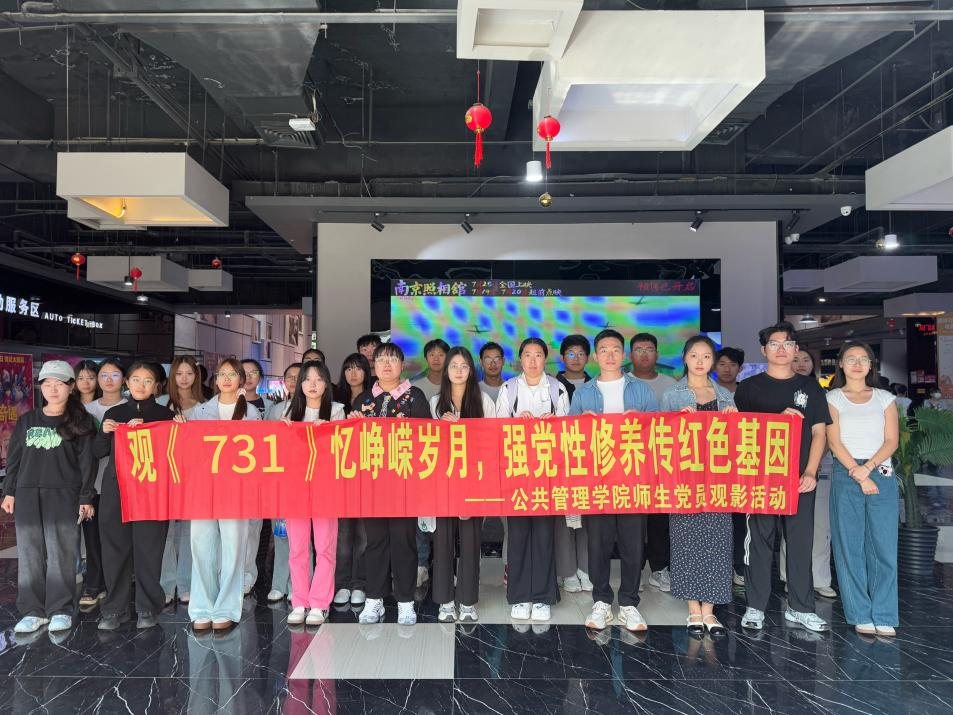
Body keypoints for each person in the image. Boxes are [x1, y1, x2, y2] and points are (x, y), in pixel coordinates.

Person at [735, 322, 831, 633]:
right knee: (759, 542)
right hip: (760, 479)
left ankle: (800, 608)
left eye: (787, 344)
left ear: (796, 349)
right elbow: (739, 432)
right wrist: (776, 420)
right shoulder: (748, 388)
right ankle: (755, 606)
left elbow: (819, 433)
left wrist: (811, 471)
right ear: (763, 350)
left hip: (800, 479)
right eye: (774, 344)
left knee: (800, 543)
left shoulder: (811, 388)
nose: (781, 349)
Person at [570, 330, 657, 632]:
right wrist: (582, 424)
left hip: (633, 478)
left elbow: (660, 433)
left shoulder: (641, 390)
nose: (609, 355)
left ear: (624, 355)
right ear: (595, 356)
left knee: (633, 544)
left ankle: (630, 603)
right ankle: (602, 601)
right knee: (599, 543)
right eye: (604, 350)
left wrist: (642, 423)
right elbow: (570, 437)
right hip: (598, 479)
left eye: (615, 350)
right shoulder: (583, 393)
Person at [2, 361, 97, 634]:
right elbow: (14, 459)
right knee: (29, 553)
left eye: (59, 384)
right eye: (47, 384)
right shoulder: (27, 420)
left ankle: (60, 609)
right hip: (27, 494)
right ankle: (32, 611)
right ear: (41, 387)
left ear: (70, 387)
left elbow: (87, 464)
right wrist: (9, 491)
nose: (53, 389)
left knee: (61, 554)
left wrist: (85, 497)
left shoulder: (80, 422)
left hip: (64, 495)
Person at [659, 336, 737, 637]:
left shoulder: (725, 395)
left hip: (718, 480)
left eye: (706, 356)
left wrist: (735, 420)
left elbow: (737, 441)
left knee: (718, 542)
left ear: (712, 361)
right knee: (686, 542)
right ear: (685, 358)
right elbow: (658, 437)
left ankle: (709, 610)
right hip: (684, 480)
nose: (700, 361)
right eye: (694, 355)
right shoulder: (672, 395)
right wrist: (676, 421)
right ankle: (693, 609)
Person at [178, 358, 262, 631]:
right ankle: (202, 607)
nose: (226, 379)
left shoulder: (251, 413)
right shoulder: (200, 411)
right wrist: (180, 427)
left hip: (236, 489)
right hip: (203, 488)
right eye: (221, 374)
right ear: (215, 380)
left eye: (232, 374)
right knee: (201, 545)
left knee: (233, 547)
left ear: (241, 380)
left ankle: (226, 607)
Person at [351, 342, 431, 625]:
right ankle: (374, 599)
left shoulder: (414, 397)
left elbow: (425, 439)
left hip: (404, 485)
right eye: (381, 359)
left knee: (404, 542)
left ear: (402, 365)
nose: (386, 364)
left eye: (392, 359)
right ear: (373, 365)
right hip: (371, 485)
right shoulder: (363, 400)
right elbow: (351, 445)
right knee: (375, 543)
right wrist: (352, 423)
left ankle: (405, 601)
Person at [826, 342, 900, 637]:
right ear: (841, 364)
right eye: (851, 359)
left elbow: (892, 441)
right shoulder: (833, 398)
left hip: (879, 470)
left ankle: (884, 613)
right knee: (850, 546)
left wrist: (867, 469)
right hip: (847, 472)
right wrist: (857, 472)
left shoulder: (884, 398)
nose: (857, 364)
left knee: (884, 546)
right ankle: (859, 612)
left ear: (871, 365)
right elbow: (834, 442)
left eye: (863, 359)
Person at [95, 362, 174, 630]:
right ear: (127, 383)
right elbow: (98, 451)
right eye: (136, 379)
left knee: (149, 549)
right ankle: (114, 609)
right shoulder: (114, 413)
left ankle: (147, 607)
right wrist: (105, 432)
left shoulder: (165, 415)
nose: (141, 385)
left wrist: (174, 427)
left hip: (151, 491)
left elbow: (175, 453)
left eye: (148, 380)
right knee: (114, 548)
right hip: (117, 490)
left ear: (156, 386)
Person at [496, 337, 570, 622]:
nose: (533, 361)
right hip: (516, 473)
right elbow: (497, 429)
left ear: (545, 359)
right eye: (527, 355)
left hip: (547, 474)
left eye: (538, 355)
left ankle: (542, 597)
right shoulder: (509, 388)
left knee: (543, 535)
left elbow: (569, 431)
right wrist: (516, 424)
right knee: (518, 535)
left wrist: (554, 424)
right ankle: (519, 596)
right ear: (520, 359)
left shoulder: (557, 388)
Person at [429, 347, 496, 623]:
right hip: (443, 482)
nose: (458, 371)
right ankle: (445, 601)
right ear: (446, 371)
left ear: (471, 370)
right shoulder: (435, 402)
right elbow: (427, 445)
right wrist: (441, 427)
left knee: (470, 542)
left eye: (464, 366)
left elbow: (492, 441)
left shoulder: (484, 401)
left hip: (474, 481)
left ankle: (468, 601)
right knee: (443, 541)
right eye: (454, 366)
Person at [279, 360, 344, 625]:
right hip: (295, 488)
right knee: (297, 547)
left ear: (326, 383)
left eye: (318, 379)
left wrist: (326, 433)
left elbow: (342, 450)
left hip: (326, 488)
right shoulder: (289, 411)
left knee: (325, 547)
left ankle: (319, 602)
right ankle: (299, 601)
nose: (312, 385)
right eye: (307, 379)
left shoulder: (337, 410)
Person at [783, 348, 837, 600]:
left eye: (806, 360)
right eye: (796, 360)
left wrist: (813, 465)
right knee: (790, 525)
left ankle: (820, 579)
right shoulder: (781, 392)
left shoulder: (820, 393)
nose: (801, 363)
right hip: (785, 467)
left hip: (819, 467)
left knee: (820, 525)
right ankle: (790, 577)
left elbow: (825, 433)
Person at [629, 332, 676, 592]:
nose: (644, 354)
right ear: (630, 355)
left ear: (657, 354)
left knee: (659, 519)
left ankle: (659, 569)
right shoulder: (624, 383)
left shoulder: (670, 384)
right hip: (632, 461)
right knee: (633, 521)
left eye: (649, 349)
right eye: (639, 349)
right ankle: (633, 571)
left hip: (661, 462)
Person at [80, 358, 128, 608]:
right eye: (104, 375)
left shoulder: (131, 407)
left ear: (124, 379)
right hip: (91, 483)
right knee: (92, 538)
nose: (109, 380)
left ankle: (116, 584)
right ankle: (94, 584)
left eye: (115, 375)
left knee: (117, 537)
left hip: (121, 484)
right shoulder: (85, 410)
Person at [159, 356, 206, 606]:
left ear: (196, 376)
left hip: (192, 477)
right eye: (179, 373)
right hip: (164, 476)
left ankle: (186, 583)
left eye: (189, 373)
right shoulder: (159, 404)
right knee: (165, 532)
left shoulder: (205, 408)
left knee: (190, 532)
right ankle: (166, 584)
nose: (184, 378)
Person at [331, 353, 372, 607]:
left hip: (366, 474)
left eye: (358, 368)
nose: (353, 373)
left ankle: (360, 584)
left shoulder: (374, 399)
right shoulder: (334, 400)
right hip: (340, 476)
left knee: (364, 536)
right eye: (348, 369)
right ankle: (342, 584)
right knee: (343, 536)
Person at [262, 362, 302, 603]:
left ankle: (298, 585)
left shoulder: (315, 407)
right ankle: (279, 583)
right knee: (281, 534)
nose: (294, 381)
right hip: (280, 479)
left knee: (302, 539)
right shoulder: (275, 410)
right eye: (290, 377)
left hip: (304, 481)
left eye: (299, 376)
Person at [240, 357, 268, 595]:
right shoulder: (217, 406)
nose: (248, 377)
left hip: (262, 476)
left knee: (253, 529)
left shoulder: (270, 406)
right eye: (244, 372)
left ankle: (249, 576)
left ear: (260, 377)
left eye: (253, 372)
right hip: (233, 477)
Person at [412, 338, 449, 403]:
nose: (436, 359)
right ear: (426, 358)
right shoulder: (415, 386)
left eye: (441, 355)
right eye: (432, 355)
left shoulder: (455, 386)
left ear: (448, 358)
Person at [555, 334, 592, 400]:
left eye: (581, 354)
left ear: (587, 358)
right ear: (562, 358)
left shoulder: (596, 385)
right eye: (571, 354)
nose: (576, 359)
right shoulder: (552, 385)